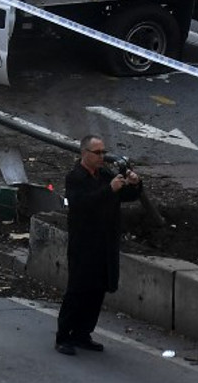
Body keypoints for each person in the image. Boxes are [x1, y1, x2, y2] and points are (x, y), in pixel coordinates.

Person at [55, 134, 142, 355]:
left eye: (104, 152)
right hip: (84, 243)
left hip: (105, 241)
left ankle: (83, 333)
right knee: (77, 290)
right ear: (85, 154)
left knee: (97, 290)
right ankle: (64, 335)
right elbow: (82, 204)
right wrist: (109, 189)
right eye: (98, 153)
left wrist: (135, 184)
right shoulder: (75, 177)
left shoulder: (104, 174)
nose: (102, 157)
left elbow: (124, 195)